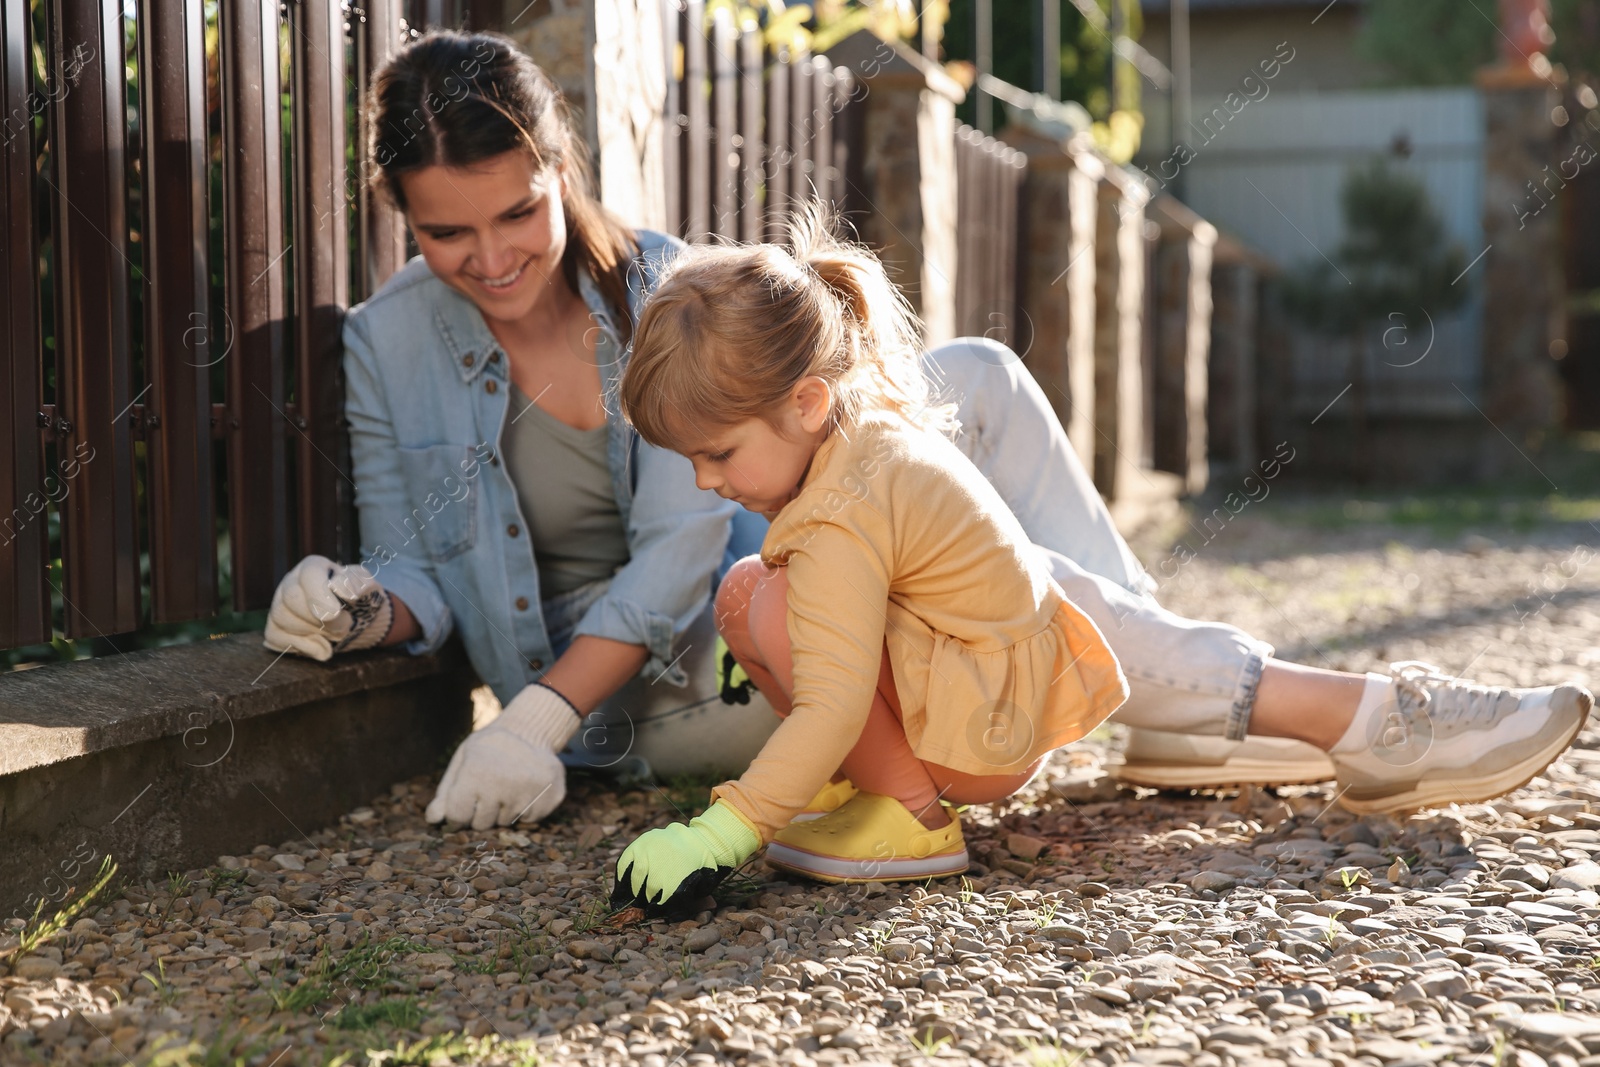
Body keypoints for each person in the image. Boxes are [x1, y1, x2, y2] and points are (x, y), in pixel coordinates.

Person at [607, 207, 1594, 904]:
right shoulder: (842, 433)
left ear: (807, 402)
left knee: (795, 579)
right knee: (813, 584)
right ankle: (1227, 699)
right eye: (692, 455)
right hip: (944, 675)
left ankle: (922, 803)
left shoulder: (830, 498)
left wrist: (723, 827)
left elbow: (826, 692)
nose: (701, 480)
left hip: (978, 720)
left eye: (715, 455)